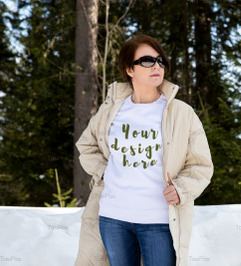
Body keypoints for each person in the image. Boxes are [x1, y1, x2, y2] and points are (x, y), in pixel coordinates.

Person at [74, 34, 213, 266]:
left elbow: (201, 165)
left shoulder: (181, 113)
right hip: (113, 218)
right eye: (147, 61)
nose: (156, 66)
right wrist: (104, 172)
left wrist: (182, 189)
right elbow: (86, 145)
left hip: (158, 221)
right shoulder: (111, 109)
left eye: (160, 61)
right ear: (130, 69)